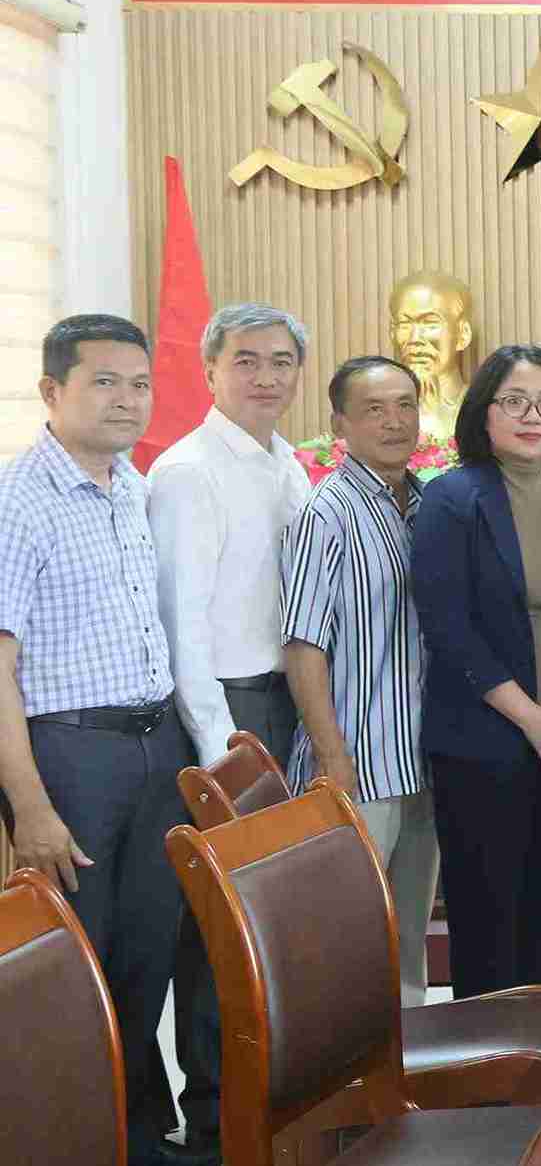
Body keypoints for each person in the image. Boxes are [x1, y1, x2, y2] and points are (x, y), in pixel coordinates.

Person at [0, 315, 189, 1166]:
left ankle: (136, 1133)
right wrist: (30, 805)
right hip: (69, 759)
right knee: (75, 969)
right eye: (104, 381)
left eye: (139, 383)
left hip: (155, 747)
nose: (126, 399)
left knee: (147, 952)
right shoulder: (17, 499)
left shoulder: (130, 484)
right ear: (52, 391)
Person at [146, 302, 315, 1157]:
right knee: (214, 923)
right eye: (247, 360)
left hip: (279, 702)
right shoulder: (189, 471)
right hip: (222, 712)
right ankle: (213, 1114)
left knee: (269, 913)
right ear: (210, 369)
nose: (266, 376)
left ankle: (264, 1094)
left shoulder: (287, 461)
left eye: (282, 361)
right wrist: (220, 748)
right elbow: (181, 626)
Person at [412, 345, 541, 998]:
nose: (534, 415)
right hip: (484, 740)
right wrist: (531, 717)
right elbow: (448, 625)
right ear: (483, 411)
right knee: (488, 920)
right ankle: (487, 1080)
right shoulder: (451, 497)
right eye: (515, 401)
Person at [281, 355, 439, 1006]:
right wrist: (331, 755)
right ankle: (340, 1095)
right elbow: (302, 645)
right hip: (358, 765)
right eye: (374, 409)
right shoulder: (329, 512)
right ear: (339, 421)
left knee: (406, 940)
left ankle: (401, 1078)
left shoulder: (429, 502)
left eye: (405, 405)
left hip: (423, 761)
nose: (394, 421)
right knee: (345, 940)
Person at [389, 269, 476, 440]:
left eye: (429, 323)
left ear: (463, 334)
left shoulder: (481, 412)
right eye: (405, 324)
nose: (415, 338)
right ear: (392, 333)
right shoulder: (377, 416)